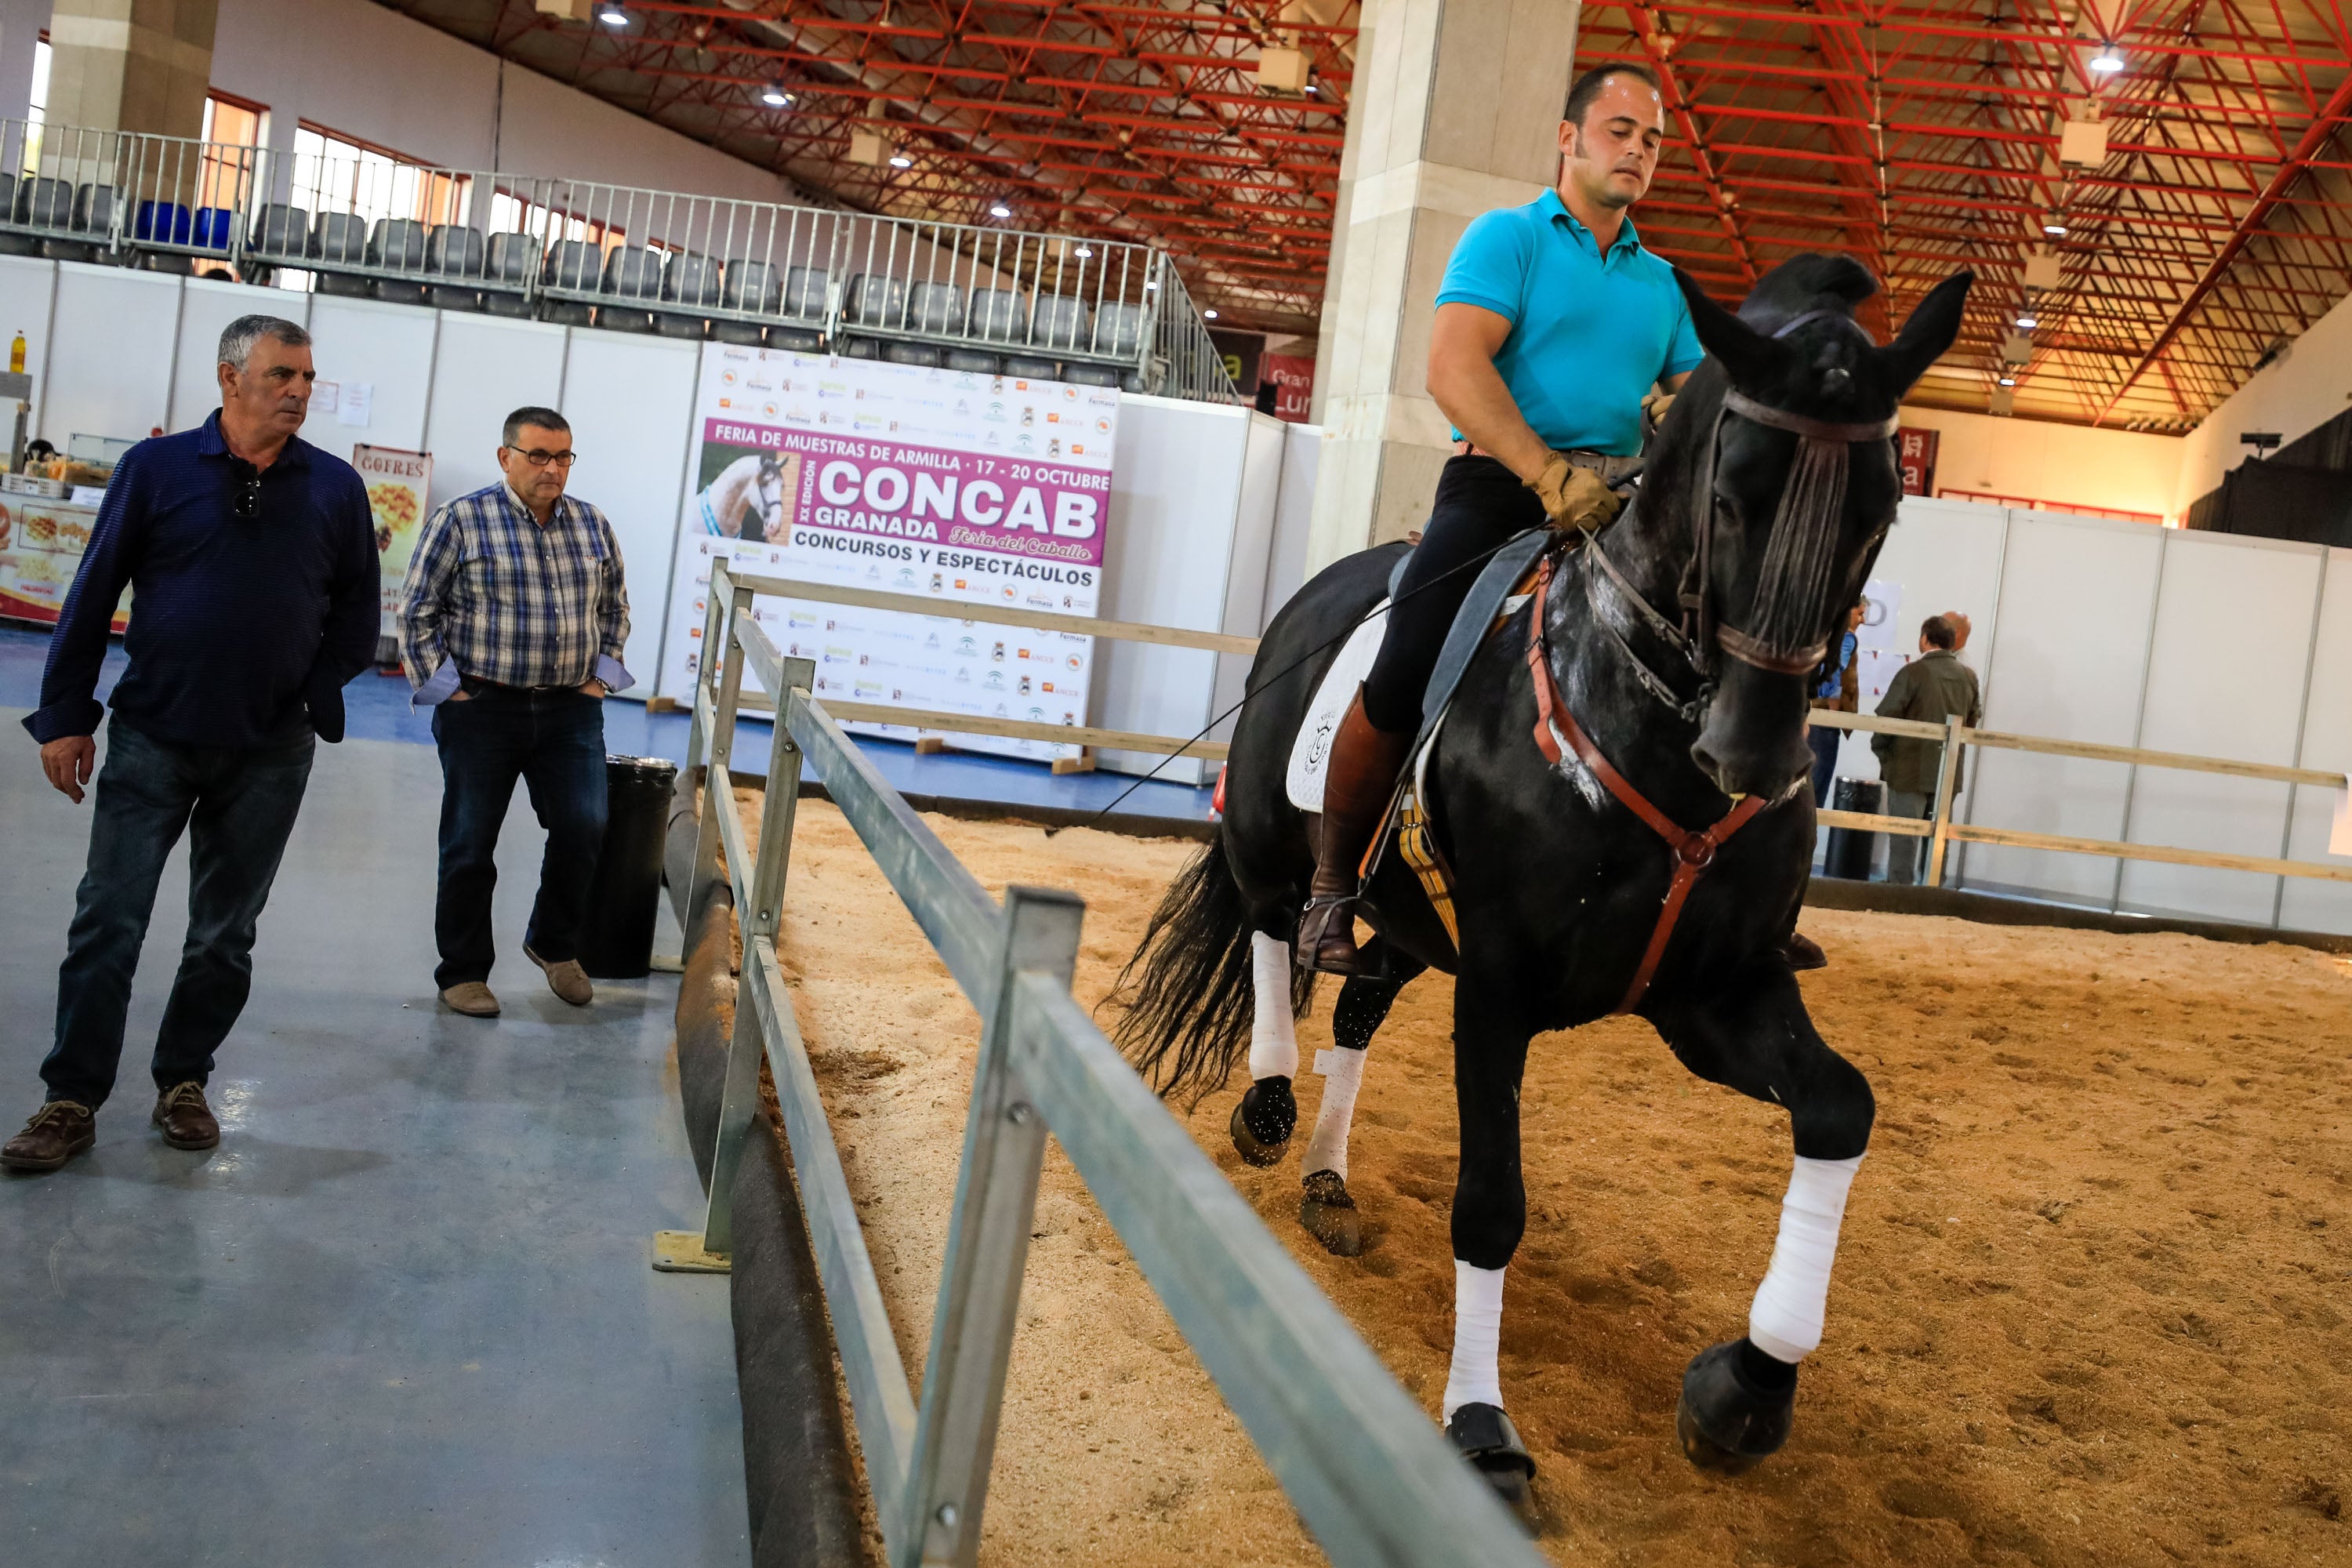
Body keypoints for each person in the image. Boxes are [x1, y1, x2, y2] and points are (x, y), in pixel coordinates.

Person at [1298, 61, 1703, 975]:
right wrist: (1546, 473)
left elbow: (1688, 399)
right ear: (1569, 139)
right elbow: (1454, 369)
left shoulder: (1665, 284)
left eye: (1652, 140)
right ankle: (1330, 889)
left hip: (1616, 503)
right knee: (1408, 658)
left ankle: (1728, 898)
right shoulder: (1508, 239)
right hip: (1497, 490)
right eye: (1619, 131)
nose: (1638, 150)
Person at [3, 315, 376, 1174]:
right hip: (153, 735)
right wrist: (66, 714)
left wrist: (315, 690)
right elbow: (91, 595)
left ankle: (183, 1080)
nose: (299, 391)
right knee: (109, 918)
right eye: (283, 374)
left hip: (272, 748)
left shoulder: (334, 488)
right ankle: (71, 1096)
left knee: (224, 933)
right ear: (229, 377)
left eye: (309, 377)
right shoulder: (156, 470)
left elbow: (358, 610)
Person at [398, 407, 632, 1018]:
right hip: (483, 707)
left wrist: (599, 682)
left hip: (570, 710)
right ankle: (464, 972)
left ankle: (553, 944)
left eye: (563, 457)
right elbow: (416, 610)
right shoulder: (462, 521)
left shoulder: (592, 525)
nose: (553, 469)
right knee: (471, 842)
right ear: (506, 457)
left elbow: (615, 611)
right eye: (539, 456)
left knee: (586, 825)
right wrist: (449, 691)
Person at [1871, 615, 1982, 885]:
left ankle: (1900, 897)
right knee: (1939, 839)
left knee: (1904, 838)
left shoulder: (1912, 673)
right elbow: (1972, 720)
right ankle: (1932, 897)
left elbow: (1886, 718)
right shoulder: (1968, 676)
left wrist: (1885, 756)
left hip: (1908, 769)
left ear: (1924, 638)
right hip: (1947, 773)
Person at [1806, 600, 1865, 805]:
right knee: (1815, 793)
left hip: (1807, 716)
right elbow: (1832, 670)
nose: (1863, 620)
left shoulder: (1820, 634)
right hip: (1822, 722)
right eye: (1860, 614)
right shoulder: (1846, 636)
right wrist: (1830, 700)